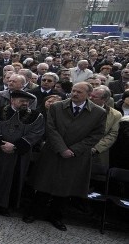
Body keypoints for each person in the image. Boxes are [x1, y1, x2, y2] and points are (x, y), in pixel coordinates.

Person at [24, 82, 105, 231]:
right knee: (43, 184)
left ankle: (56, 216)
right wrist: (62, 148)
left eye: (79, 92)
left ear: (88, 94)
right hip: (53, 152)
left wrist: (74, 150)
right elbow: (50, 128)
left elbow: (96, 135)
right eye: (73, 91)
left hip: (76, 156)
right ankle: (33, 212)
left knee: (65, 188)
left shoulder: (98, 112)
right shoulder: (57, 107)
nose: (74, 94)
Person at [0, 90, 45, 215]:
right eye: (22, 101)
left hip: (17, 154)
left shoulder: (36, 116)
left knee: (13, 178)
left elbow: (36, 133)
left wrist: (15, 146)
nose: (25, 103)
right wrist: (1, 144)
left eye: (27, 101)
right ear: (12, 100)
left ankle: (5, 205)